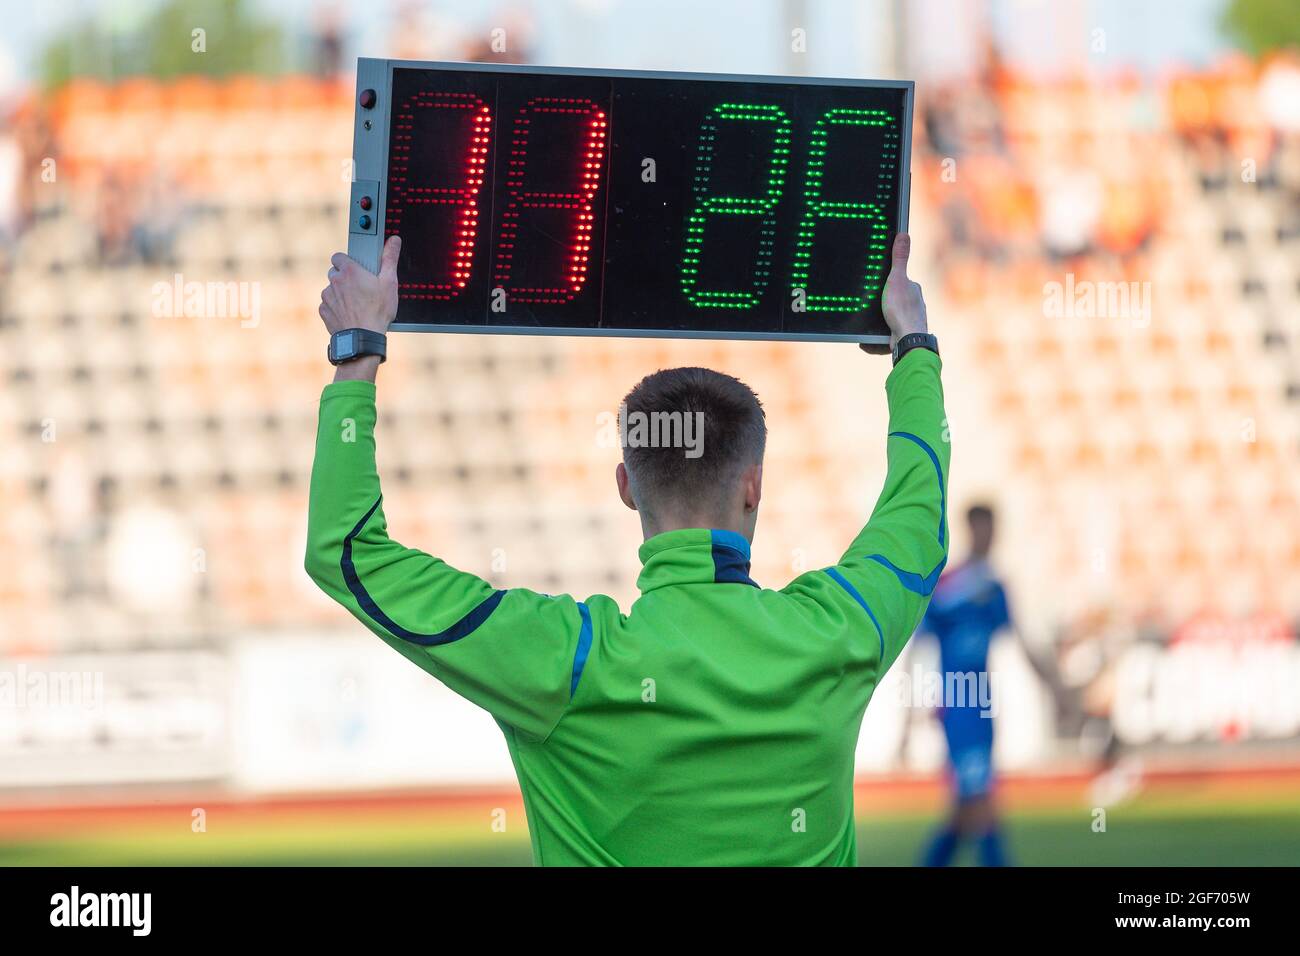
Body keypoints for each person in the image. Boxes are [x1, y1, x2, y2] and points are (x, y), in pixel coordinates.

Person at [305, 232, 949, 865]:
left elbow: (346, 551)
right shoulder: (839, 631)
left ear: (626, 488)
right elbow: (918, 510)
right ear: (753, 486)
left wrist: (358, 352)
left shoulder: (566, 659)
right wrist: (912, 343)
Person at [917, 503, 1025, 866]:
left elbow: (1021, 641)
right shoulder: (949, 586)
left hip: (981, 705)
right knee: (981, 806)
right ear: (970, 529)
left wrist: (1057, 687)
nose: (988, 536)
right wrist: (917, 706)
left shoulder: (994, 586)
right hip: (958, 706)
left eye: (992, 529)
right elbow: (920, 645)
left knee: (965, 812)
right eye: (982, 528)